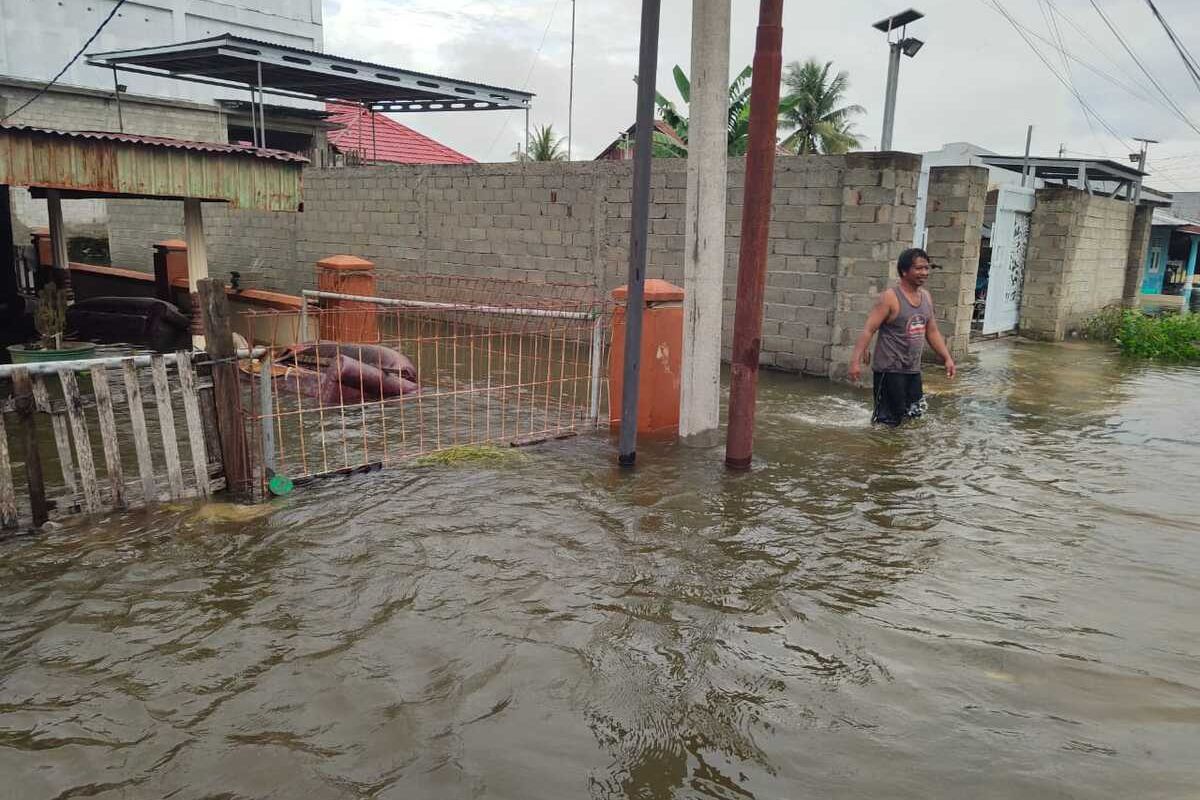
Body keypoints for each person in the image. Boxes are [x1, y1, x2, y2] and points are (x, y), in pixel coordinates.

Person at [849, 247, 956, 426]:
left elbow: (932, 331)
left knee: (914, 417)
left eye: (926, 268)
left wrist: (947, 358)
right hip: (889, 370)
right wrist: (855, 362)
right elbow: (869, 329)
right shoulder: (890, 298)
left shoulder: (926, 297)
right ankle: (881, 453)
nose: (924, 272)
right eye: (919, 268)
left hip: (912, 370)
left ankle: (905, 454)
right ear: (904, 271)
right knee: (887, 423)